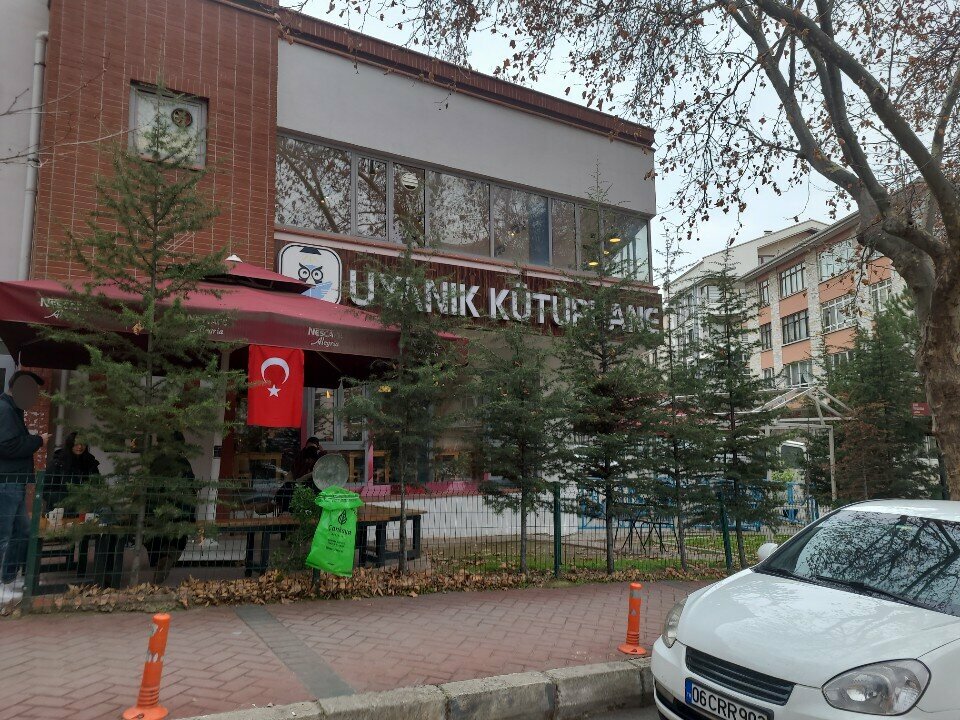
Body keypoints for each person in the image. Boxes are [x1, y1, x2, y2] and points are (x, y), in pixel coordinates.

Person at [0, 371, 50, 603]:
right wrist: (38, 440)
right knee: (4, 534)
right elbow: (8, 446)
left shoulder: (13, 411)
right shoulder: (5, 410)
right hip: (6, 482)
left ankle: (8, 577)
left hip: (15, 482)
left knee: (23, 531)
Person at [145, 431, 196, 585]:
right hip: (180, 512)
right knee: (178, 539)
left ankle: (161, 560)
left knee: (153, 539)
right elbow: (190, 490)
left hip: (156, 513)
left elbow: (149, 488)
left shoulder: (155, 462)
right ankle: (168, 557)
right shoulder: (184, 463)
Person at [43, 431, 100, 513]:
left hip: (85, 511)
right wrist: (69, 500)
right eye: (76, 444)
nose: (80, 447)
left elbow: (97, 485)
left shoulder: (91, 463)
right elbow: (46, 491)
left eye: (83, 444)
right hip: (59, 512)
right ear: (69, 445)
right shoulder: (57, 463)